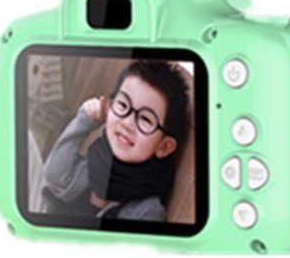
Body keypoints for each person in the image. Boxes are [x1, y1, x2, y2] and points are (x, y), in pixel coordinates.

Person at [42, 60, 189, 221]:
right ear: (109, 107)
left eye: (145, 119)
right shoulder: (95, 164)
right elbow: (55, 176)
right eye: (123, 105)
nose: (127, 123)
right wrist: (84, 121)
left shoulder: (147, 211)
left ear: (164, 146)